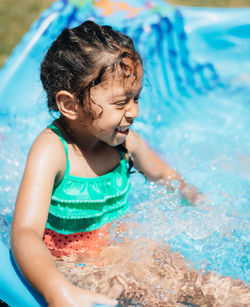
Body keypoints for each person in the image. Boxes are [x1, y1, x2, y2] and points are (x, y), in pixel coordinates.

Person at [11, 21, 199, 307]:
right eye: (121, 103)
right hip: (79, 262)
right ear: (71, 105)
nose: (134, 111)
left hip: (123, 247)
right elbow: (25, 233)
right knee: (152, 300)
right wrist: (55, 289)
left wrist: (197, 201)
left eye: (136, 98)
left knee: (201, 284)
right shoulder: (52, 151)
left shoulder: (125, 141)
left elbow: (165, 176)